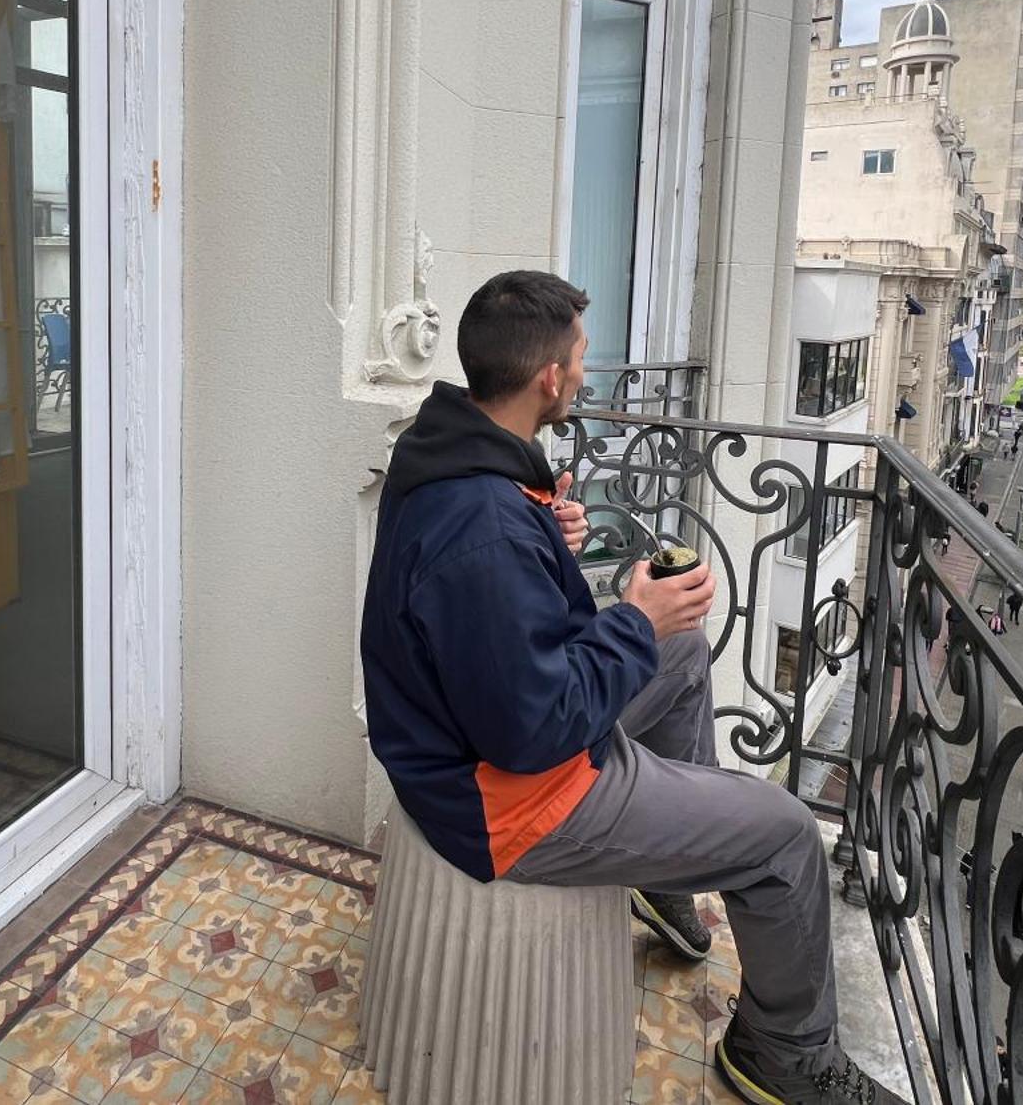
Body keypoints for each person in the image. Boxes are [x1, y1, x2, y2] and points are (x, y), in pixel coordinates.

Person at [359, 271, 898, 1104]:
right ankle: (782, 1052)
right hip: (509, 800)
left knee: (679, 658)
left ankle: (666, 876)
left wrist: (545, 527)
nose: (584, 373)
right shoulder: (484, 529)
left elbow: (492, 618)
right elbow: (533, 731)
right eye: (578, 357)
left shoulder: (453, 460)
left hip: (476, 742)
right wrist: (635, 620)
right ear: (547, 377)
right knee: (787, 838)